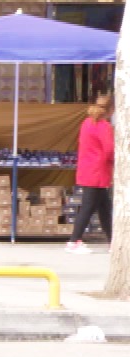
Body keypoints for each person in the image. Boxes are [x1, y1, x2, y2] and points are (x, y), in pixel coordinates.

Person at [69, 93, 114, 253]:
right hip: (99, 172)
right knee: (88, 207)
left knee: (104, 208)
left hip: (88, 169)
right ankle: (74, 241)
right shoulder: (104, 126)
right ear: (111, 110)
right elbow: (109, 150)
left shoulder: (87, 123)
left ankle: (113, 241)